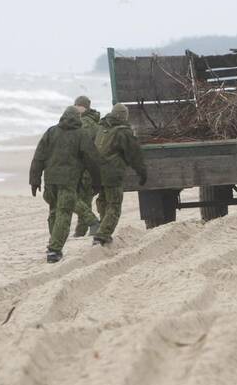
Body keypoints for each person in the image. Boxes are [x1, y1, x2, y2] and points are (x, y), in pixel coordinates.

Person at [29, 106, 103, 263]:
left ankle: (54, 243)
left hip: (50, 181)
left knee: (54, 212)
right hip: (68, 182)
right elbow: (92, 160)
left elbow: (38, 158)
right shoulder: (81, 134)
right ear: (77, 118)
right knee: (64, 213)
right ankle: (54, 250)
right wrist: (97, 182)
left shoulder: (51, 132)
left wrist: (34, 180)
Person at [92, 103, 148, 246]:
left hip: (97, 173)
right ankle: (102, 235)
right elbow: (134, 155)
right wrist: (142, 172)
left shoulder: (101, 128)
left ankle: (103, 232)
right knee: (114, 205)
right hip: (112, 174)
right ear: (124, 116)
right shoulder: (123, 132)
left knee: (103, 201)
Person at [72, 95, 102, 237]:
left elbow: (82, 145)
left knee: (76, 199)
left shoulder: (85, 123)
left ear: (81, 107)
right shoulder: (95, 122)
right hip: (92, 167)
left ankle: (92, 224)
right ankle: (81, 230)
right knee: (85, 199)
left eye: (76, 106)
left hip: (85, 167)